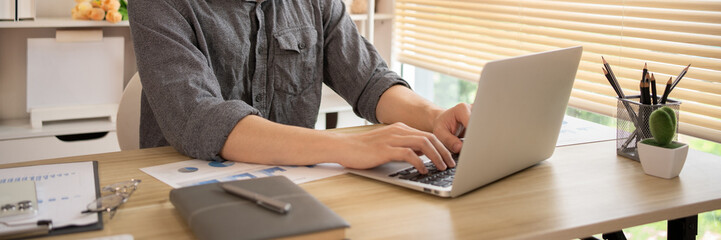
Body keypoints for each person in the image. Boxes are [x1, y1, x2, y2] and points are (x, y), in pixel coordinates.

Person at [128, 0, 470, 174]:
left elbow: (369, 80)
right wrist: (347, 146)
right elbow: (201, 118)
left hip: (292, 184)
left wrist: (433, 115)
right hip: (180, 187)